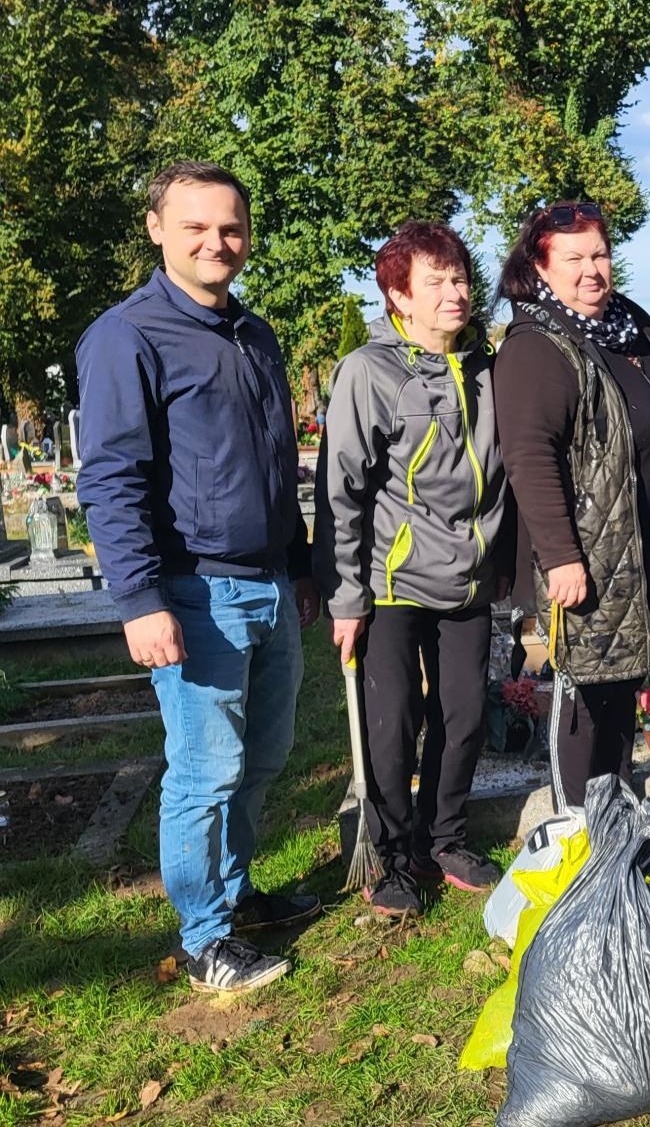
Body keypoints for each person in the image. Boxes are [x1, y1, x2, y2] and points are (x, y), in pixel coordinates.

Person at [76, 161, 321, 992]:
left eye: (230, 227)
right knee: (206, 767)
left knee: (264, 755)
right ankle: (204, 937)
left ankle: (235, 889)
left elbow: (276, 462)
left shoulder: (254, 333)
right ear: (157, 230)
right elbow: (109, 478)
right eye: (196, 227)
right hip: (193, 591)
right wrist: (140, 601)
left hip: (269, 584)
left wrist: (299, 563)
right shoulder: (127, 337)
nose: (217, 242)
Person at [315, 221, 510, 915]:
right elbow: (341, 487)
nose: (455, 292)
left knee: (462, 717)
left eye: (459, 277)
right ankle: (393, 854)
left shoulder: (487, 367)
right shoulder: (370, 372)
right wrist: (344, 596)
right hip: (392, 584)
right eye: (437, 281)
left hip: (469, 580)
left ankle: (444, 836)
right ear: (400, 295)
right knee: (391, 722)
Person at [493, 200, 650, 810]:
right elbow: (529, 456)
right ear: (541, 267)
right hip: (584, 555)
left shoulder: (627, 331)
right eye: (574, 258)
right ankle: (579, 838)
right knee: (585, 700)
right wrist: (561, 556)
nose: (592, 270)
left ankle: (617, 836)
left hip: (637, 547)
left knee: (620, 694)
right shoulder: (537, 346)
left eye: (600, 254)